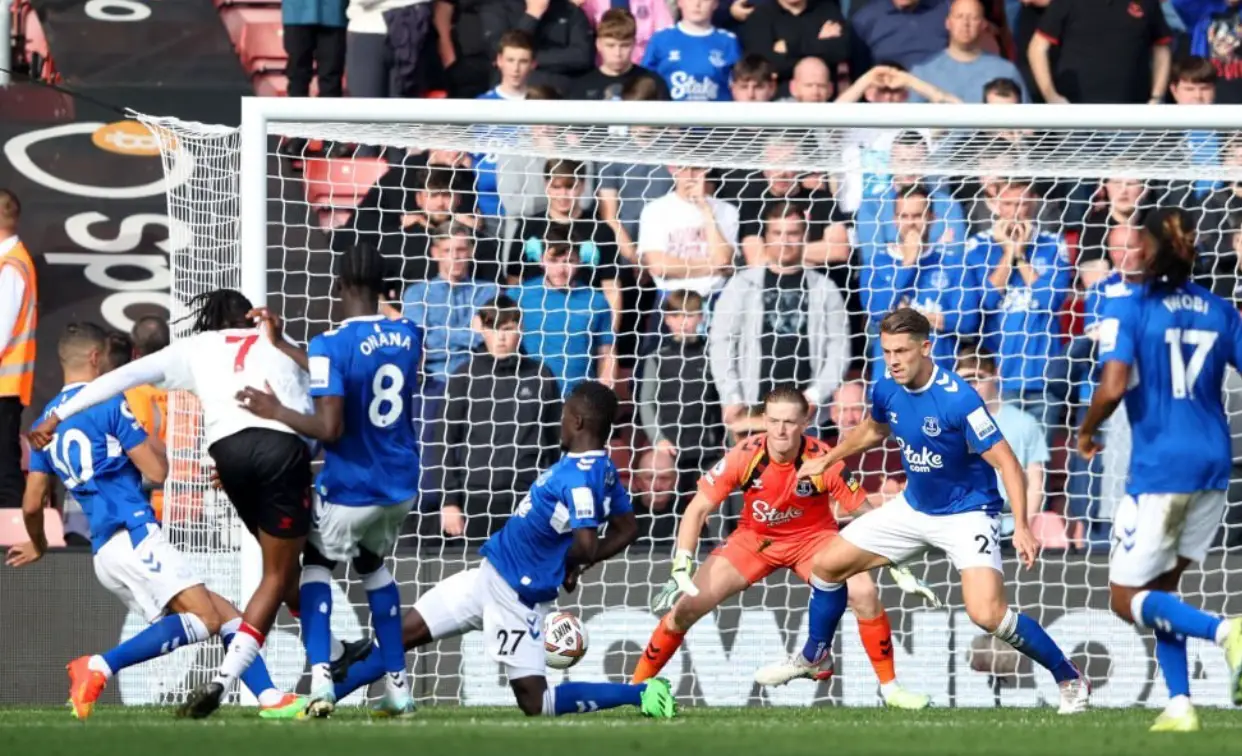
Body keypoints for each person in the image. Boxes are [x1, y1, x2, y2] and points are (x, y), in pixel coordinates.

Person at [756, 308, 1090, 714]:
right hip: (914, 508)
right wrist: (829, 459)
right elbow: (873, 429)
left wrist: (1021, 525)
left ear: (925, 348)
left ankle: (1069, 676)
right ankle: (815, 656)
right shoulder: (886, 387)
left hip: (967, 513)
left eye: (901, 351)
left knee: (987, 614)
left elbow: (1009, 465)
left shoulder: (959, 400)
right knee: (826, 567)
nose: (893, 360)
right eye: (886, 351)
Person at [28, 289, 315, 720]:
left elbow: (32, 502)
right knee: (206, 620)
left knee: (229, 615)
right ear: (93, 358)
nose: (111, 363)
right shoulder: (106, 402)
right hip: (135, 532)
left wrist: (35, 544)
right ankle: (99, 666)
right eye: (107, 355)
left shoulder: (42, 425)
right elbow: (157, 472)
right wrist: (154, 447)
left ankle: (270, 698)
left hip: (104, 549)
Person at [331, 382, 679, 720]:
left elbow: (587, 545)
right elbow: (628, 528)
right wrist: (572, 564)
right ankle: (320, 699)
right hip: (487, 575)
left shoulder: (580, 479)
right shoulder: (601, 468)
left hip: (515, 596)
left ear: (577, 422)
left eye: (564, 415)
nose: (559, 422)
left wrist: (573, 563)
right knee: (399, 636)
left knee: (536, 703)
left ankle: (642, 692)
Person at [632, 386, 931, 709]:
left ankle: (891, 690)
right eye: (774, 421)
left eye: (789, 422)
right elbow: (697, 509)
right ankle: (633, 690)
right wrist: (681, 563)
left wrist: (898, 563)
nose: (781, 430)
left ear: (805, 422)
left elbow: (865, 514)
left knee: (865, 593)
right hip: (753, 541)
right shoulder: (745, 456)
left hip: (814, 540)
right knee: (686, 608)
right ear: (763, 420)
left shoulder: (823, 459)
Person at [237, 244, 422, 717]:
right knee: (373, 566)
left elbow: (330, 427)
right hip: (399, 486)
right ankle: (398, 688)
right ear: (386, 289)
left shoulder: (329, 343)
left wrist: (273, 409)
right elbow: (343, 369)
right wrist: (283, 346)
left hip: (351, 486)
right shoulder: (409, 335)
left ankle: (321, 678)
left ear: (338, 287)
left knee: (315, 565)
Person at [1076, 207, 1242, 731]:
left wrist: (1086, 431)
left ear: (1146, 249)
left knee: (1125, 600)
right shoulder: (1221, 310)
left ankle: (1226, 632)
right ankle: (1180, 704)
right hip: (1215, 461)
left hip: (1162, 466)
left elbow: (1114, 382)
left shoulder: (1130, 307)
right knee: (1160, 593)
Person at [0, 189, 35, 511]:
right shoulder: (11, 262)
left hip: (3, 387)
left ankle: (9, 533)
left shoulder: (11, 267)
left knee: (4, 466)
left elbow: (1, 329)